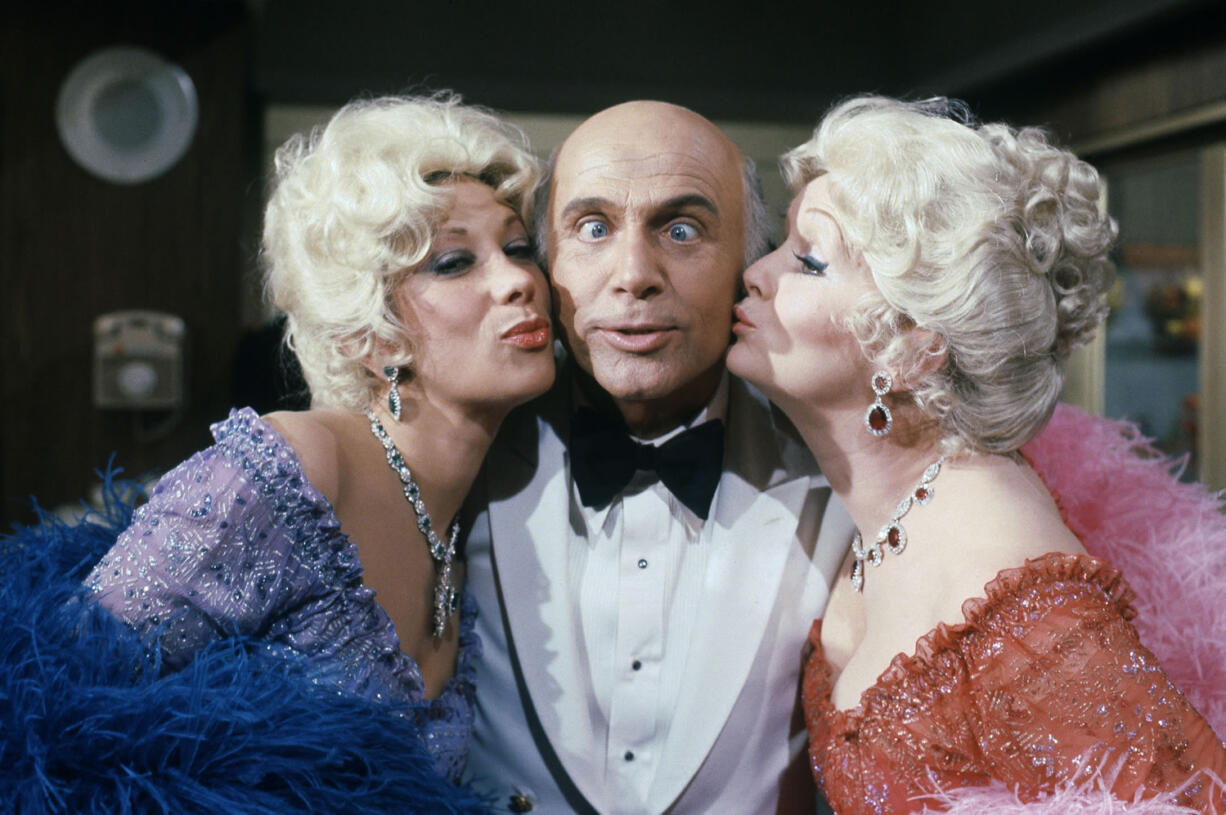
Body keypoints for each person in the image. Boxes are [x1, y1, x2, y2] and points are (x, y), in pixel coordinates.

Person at [728, 95, 1226, 812]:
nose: (757, 273)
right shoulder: (890, 503)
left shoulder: (1018, 591)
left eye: (808, 260)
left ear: (911, 347)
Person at [82, 94, 554, 799]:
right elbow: (47, 701)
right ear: (370, 333)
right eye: (455, 262)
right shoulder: (293, 469)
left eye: (518, 247)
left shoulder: (464, 523)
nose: (519, 280)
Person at [462, 100, 855, 814]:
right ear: (545, 262)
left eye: (682, 229)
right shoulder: (461, 465)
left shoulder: (844, 480)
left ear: (749, 263)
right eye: (592, 228)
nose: (634, 273)